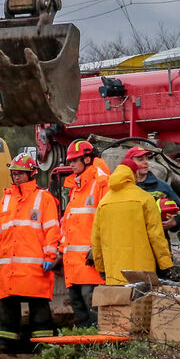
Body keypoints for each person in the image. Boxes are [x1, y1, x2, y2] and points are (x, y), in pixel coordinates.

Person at [0, 153, 60, 353]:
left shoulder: (43, 198)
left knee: (38, 305)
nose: (16, 177)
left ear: (31, 174)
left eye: (20, 173)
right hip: (8, 267)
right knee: (8, 305)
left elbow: (52, 229)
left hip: (34, 266)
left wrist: (50, 256)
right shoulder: (6, 200)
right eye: (14, 173)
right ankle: (5, 343)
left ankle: (43, 343)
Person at [91, 149, 173, 285]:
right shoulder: (145, 198)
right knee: (141, 305)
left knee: (120, 306)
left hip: (114, 274)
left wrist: (100, 267)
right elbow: (156, 235)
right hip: (142, 275)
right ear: (134, 175)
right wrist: (165, 264)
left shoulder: (104, 202)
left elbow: (96, 239)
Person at [59, 140, 111, 327]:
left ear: (87, 159)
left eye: (75, 160)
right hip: (74, 262)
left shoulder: (100, 182)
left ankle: (99, 348)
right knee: (79, 306)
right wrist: (62, 247)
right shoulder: (77, 186)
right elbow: (70, 221)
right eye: (70, 161)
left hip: (90, 261)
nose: (71, 164)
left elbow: (107, 220)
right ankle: (86, 344)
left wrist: (97, 249)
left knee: (92, 307)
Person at [133, 149, 180, 234]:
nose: (146, 162)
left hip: (158, 239)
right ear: (129, 163)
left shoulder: (162, 186)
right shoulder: (124, 186)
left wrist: (175, 221)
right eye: (140, 159)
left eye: (146, 158)